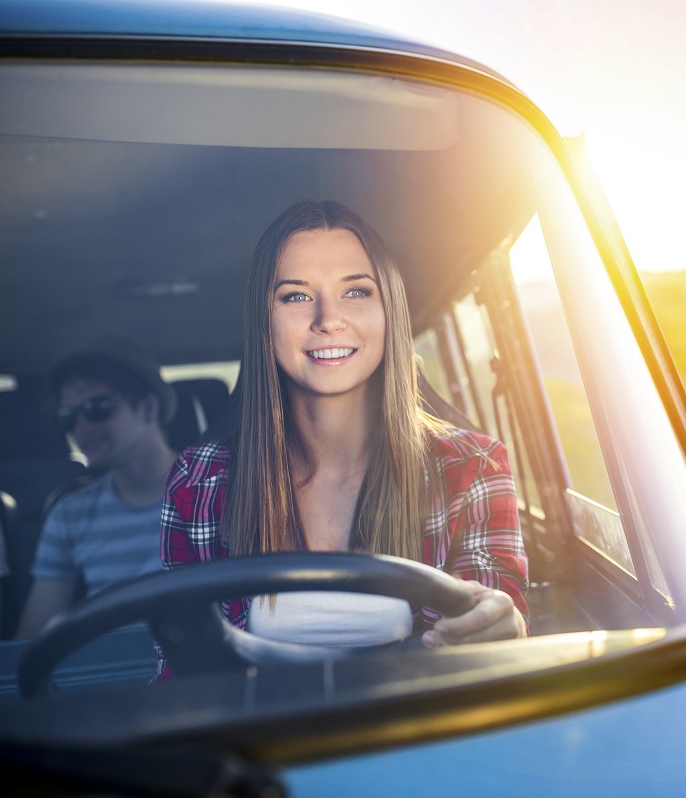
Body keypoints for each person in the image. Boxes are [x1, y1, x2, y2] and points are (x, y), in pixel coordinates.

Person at [159, 199, 527, 673]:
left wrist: (504, 627)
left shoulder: (473, 468)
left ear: (389, 311)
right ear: (263, 323)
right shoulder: (198, 481)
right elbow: (179, 673)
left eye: (356, 292)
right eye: (295, 296)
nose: (327, 319)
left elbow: (495, 644)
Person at [16, 338, 179, 638]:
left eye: (97, 408)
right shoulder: (68, 516)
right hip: (111, 682)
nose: (80, 428)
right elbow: (33, 642)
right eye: (68, 416)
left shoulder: (228, 488)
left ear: (148, 407)